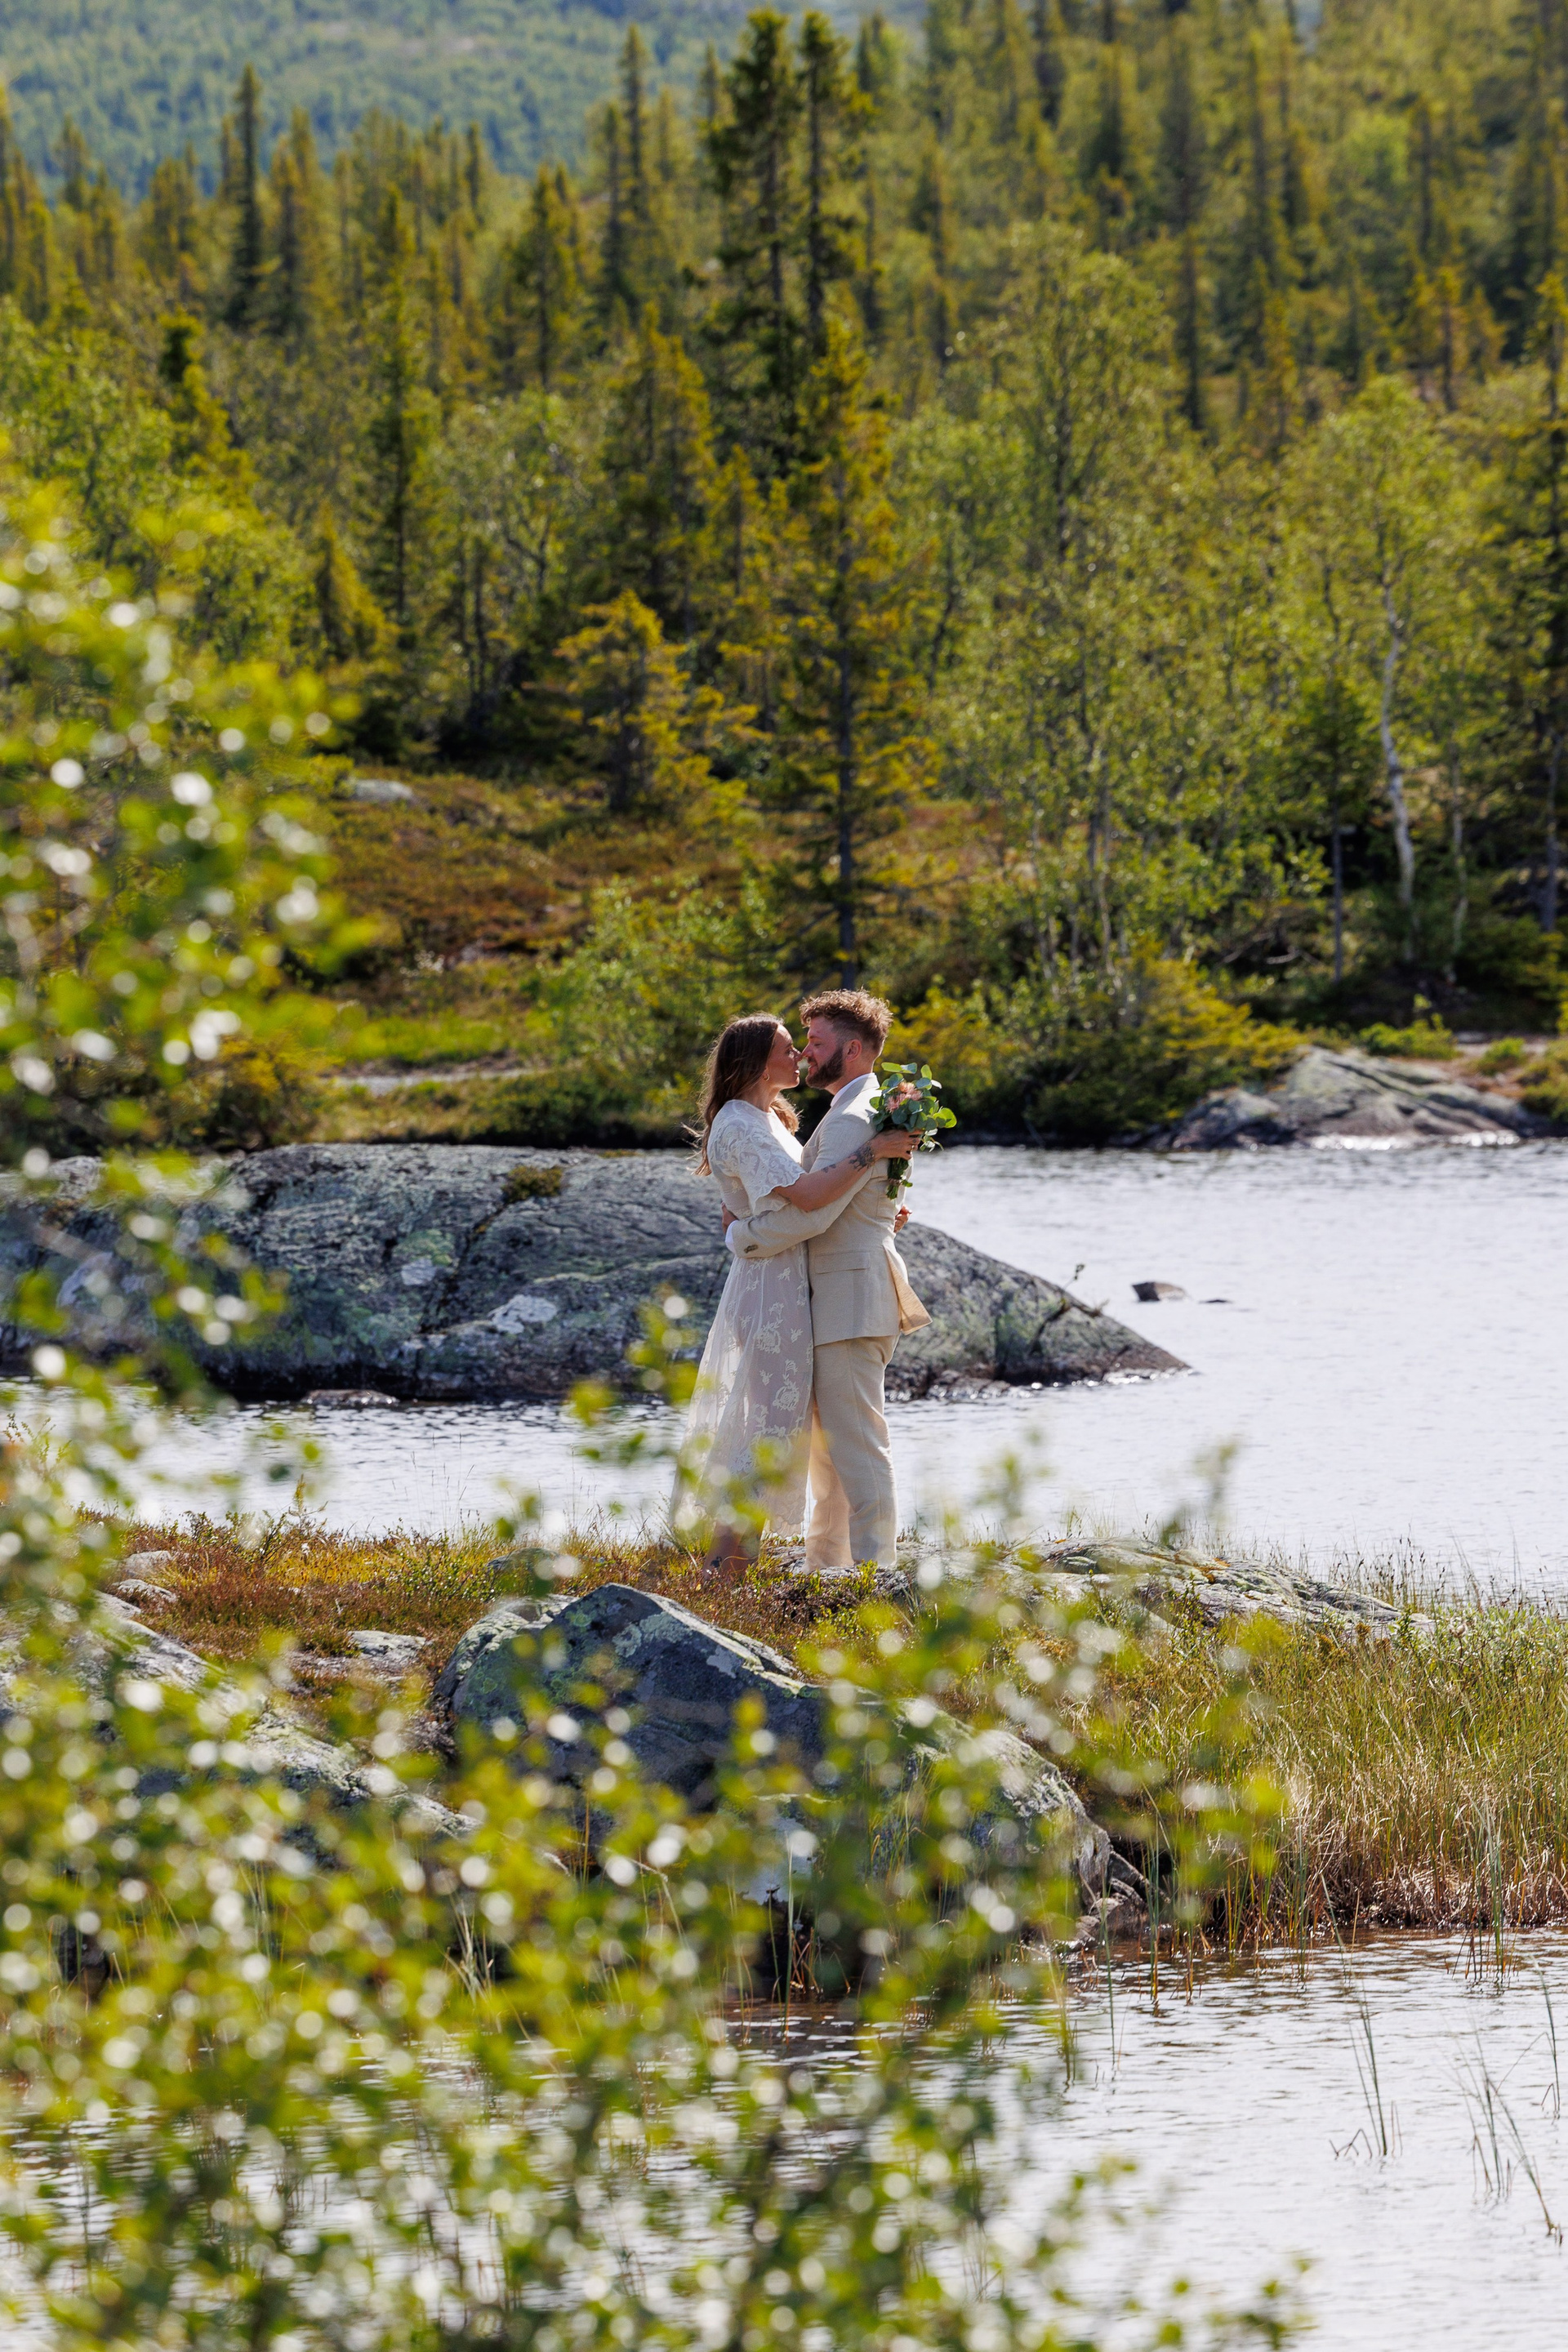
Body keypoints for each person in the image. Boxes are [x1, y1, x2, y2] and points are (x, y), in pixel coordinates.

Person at [683, 1013, 915, 1567]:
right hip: (771, 1289)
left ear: (851, 1048)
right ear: (757, 1062)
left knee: (798, 1438)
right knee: (765, 1435)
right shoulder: (744, 1123)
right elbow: (809, 1203)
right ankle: (727, 1574)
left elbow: (822, 1201)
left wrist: (876, 1218)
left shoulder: (780, 1119)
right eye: (791, 1047)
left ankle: (835, 1570)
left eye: (809, 1043)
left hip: (804, 1290)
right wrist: (740, 1235)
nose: (801, 1055)